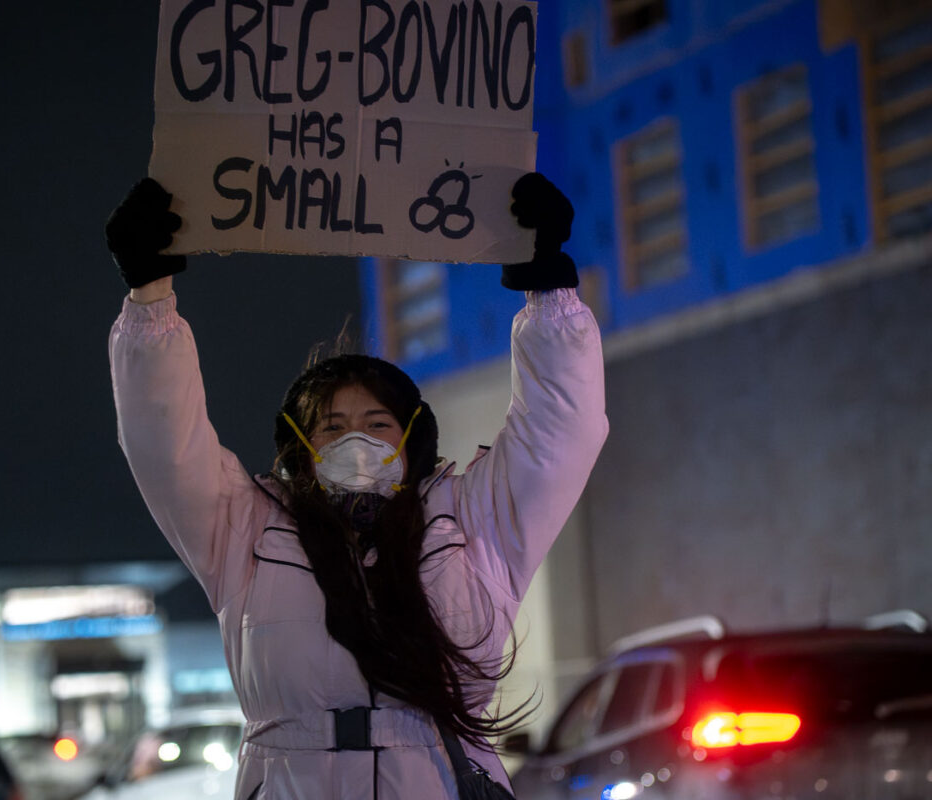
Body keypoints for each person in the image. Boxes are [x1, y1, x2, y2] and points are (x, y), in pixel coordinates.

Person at [106, 173, 608, 800]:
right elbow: (165, 446)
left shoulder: (473, 521)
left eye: (377, 424)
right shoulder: (245, 529)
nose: (356, 442)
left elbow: (560, 432)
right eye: (333, 427)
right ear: (302, 446)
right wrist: (149, 297)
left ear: (411, 438)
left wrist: (549, 290)